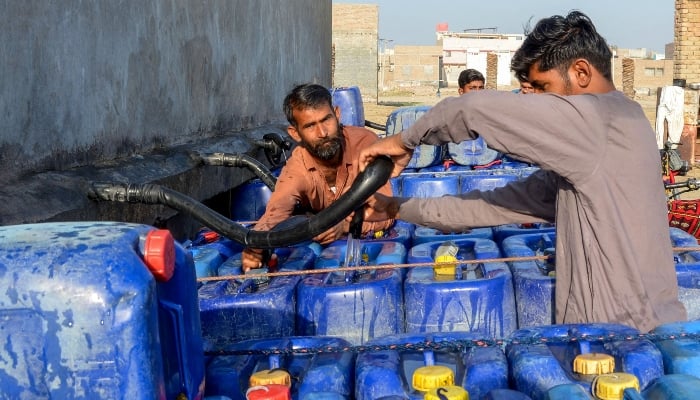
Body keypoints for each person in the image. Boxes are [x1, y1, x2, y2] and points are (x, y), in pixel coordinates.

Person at [357, 11, 686, 332]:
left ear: (582, 73)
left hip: (618, 342)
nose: (535, 101)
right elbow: (491, 206)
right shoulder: (620, 128)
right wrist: (398, 208)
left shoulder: (598, 119)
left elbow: (473, 109)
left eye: (543, 88)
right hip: (649, 335)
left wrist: (405, 141)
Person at [241, 83, 395, 271]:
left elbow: (388, 211)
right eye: (310, 126)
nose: (322, 133)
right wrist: (256, 247)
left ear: (337, 114)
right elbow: (275, 212)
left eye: (326, 120)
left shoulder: (366, 145)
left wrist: (344, 225)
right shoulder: (297, 167)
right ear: (295, 133)